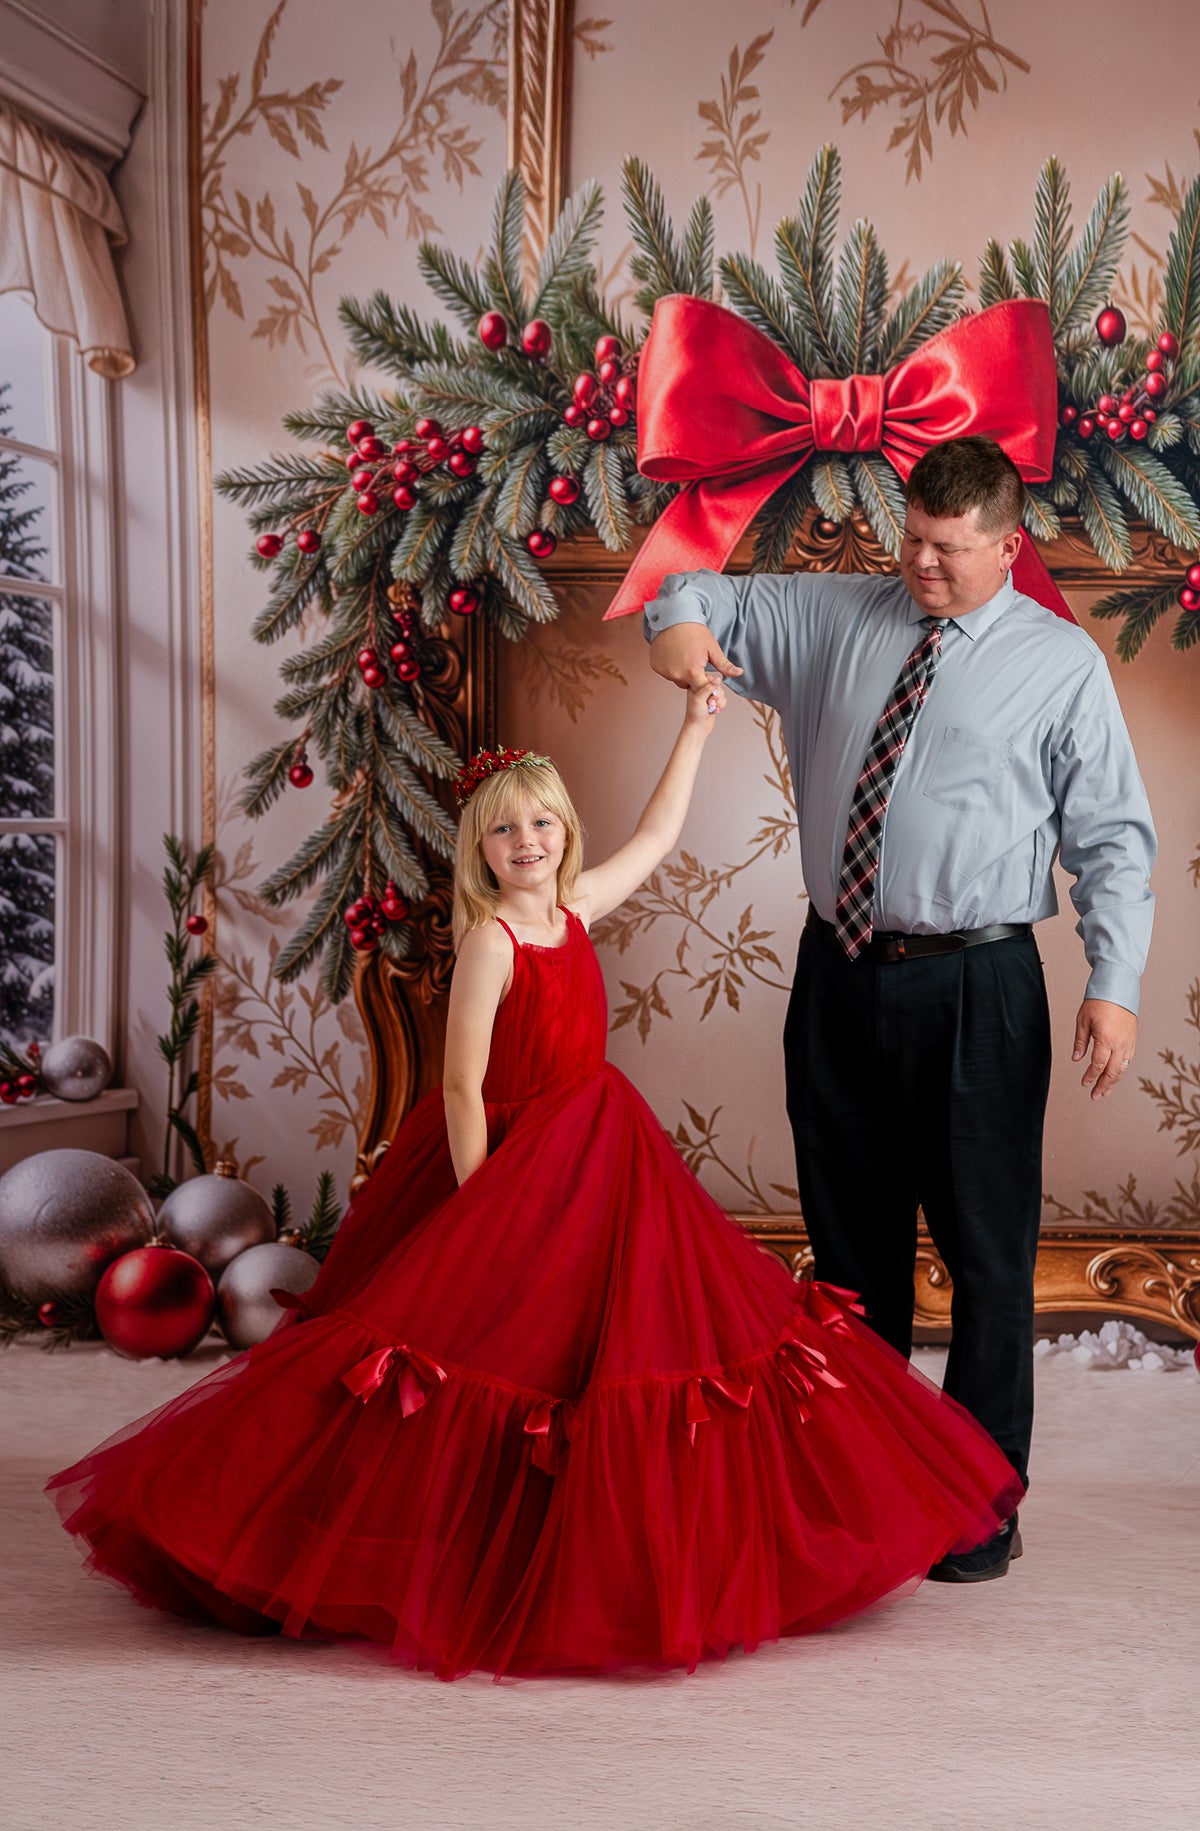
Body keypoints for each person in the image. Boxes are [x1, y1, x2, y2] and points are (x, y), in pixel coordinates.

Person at [50, 684, 1023, 1678]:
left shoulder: (574, 906)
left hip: (601, 1150)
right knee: (457, 1353)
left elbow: (655, 835)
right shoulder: (491, 940)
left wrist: (694, 728)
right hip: (507, 1163)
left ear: (565, 832)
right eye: (506, 828)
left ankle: (599, 1544)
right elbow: (463, 1085)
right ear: (478, 846)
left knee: (614, 1346)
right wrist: (486, 1204)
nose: (529, 840)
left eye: (544, 822)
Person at [644, 434, 1157, 1581]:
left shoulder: (1060, 663)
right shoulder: (838, 616)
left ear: (1008, 547)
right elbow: (693, 589)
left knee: (985, 1252)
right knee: (851, 1254)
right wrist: (679, 630)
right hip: (837, 975)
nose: (923, 566)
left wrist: (1113, 988)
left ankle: (978, 1502)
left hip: (979, 984)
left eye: (952, 552)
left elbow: (1114, 840)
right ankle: (861, 1482)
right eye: (914, 540)